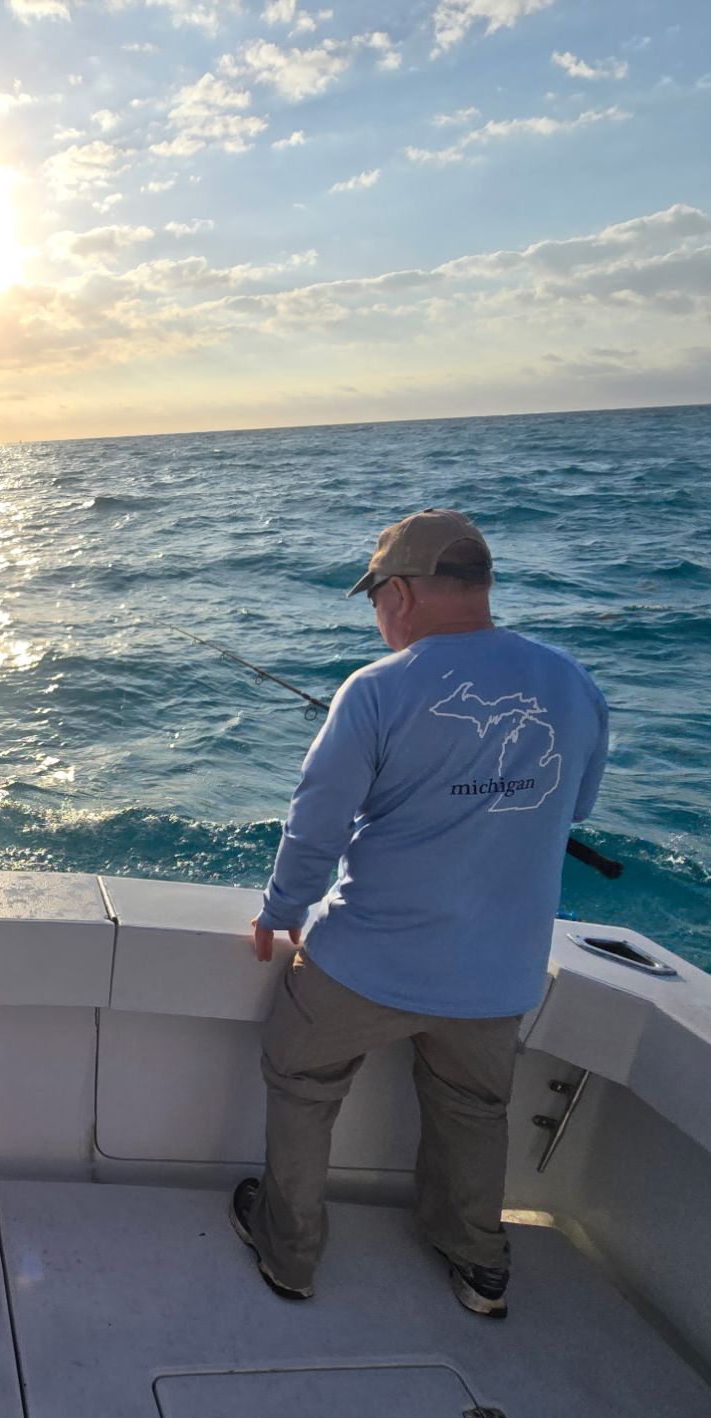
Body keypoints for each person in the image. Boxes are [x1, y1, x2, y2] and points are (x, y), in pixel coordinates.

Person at [229, 509, 608, 1318]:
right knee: (475, 1112)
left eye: (375, 599)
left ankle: (291, 1254)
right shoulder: (572, 682)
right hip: (498, 977)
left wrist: (281, 910)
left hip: (368, 964)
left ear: (399, 593)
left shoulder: (375, 690)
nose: (377, 616)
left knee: (300, 1075)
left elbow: (316, 823)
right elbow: (572, 806)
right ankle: (478, 1262)